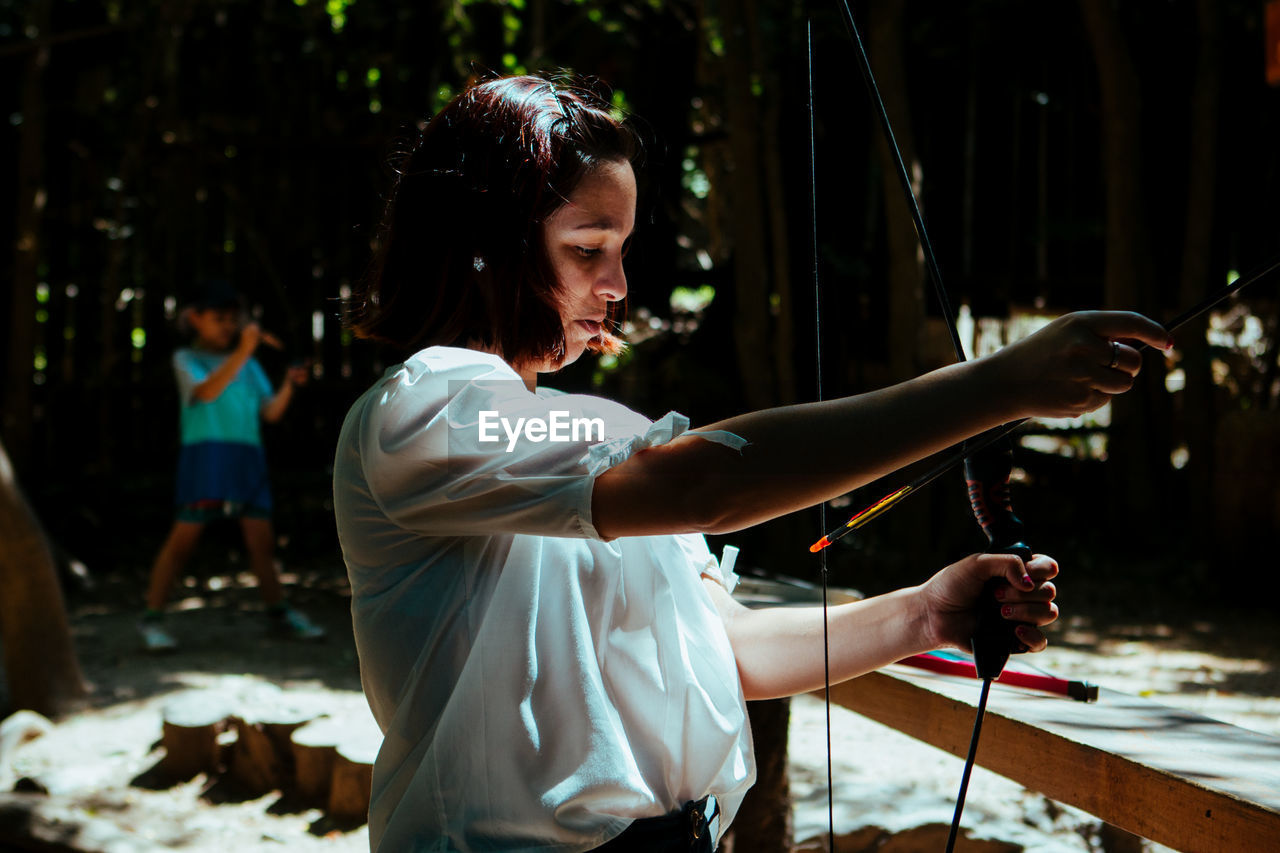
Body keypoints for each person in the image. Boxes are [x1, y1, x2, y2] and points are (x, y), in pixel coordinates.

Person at [332, 76, 1171, 852]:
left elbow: (726, 649)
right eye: (589, 248)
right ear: (490, 246)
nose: (619, 282)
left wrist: (922, 613)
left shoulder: (593, 433)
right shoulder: (428, 410)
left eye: (622, 247)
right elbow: (714, 480)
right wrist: (998, 384)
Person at [138, 279, 325, 652]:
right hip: (205, 458)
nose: (228, 325)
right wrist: (242, 352)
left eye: (232, 319)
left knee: (262, 542)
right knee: (182, 542)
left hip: (247, 459)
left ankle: (279, 614)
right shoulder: (185, 360)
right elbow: (206, 392)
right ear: (195, 318)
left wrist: (289, 384)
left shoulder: (250, 364)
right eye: (219, 318)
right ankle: (152, 620)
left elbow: (270, 412)